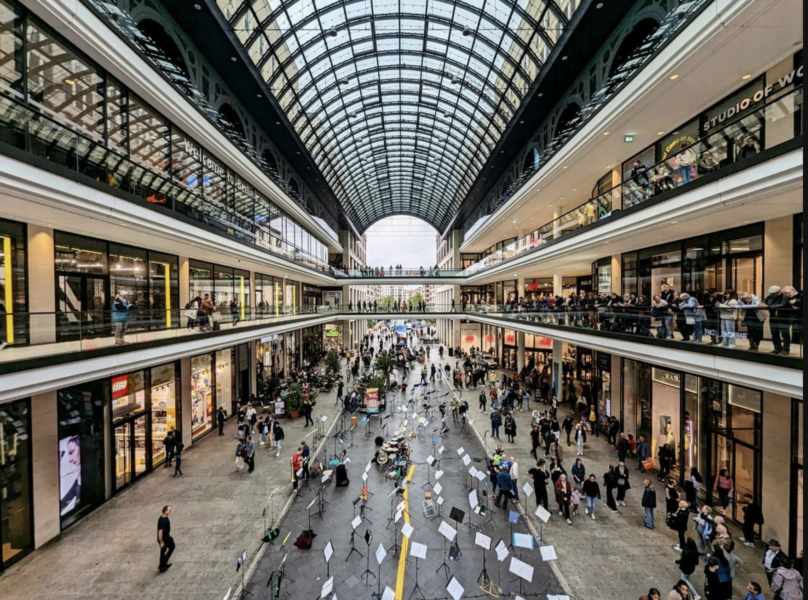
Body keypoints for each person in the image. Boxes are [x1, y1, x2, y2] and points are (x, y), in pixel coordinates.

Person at [157, 505, 175, 573]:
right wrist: (161, 541)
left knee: (163, 551)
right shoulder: (164, 520)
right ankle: (163, 564)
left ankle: (162, 565)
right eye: (169, 510)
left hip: (164, 537)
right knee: (172, 547)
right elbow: (160, 531)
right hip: (165, 538)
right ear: (165, 511)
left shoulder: (161, 517)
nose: (170, 511)